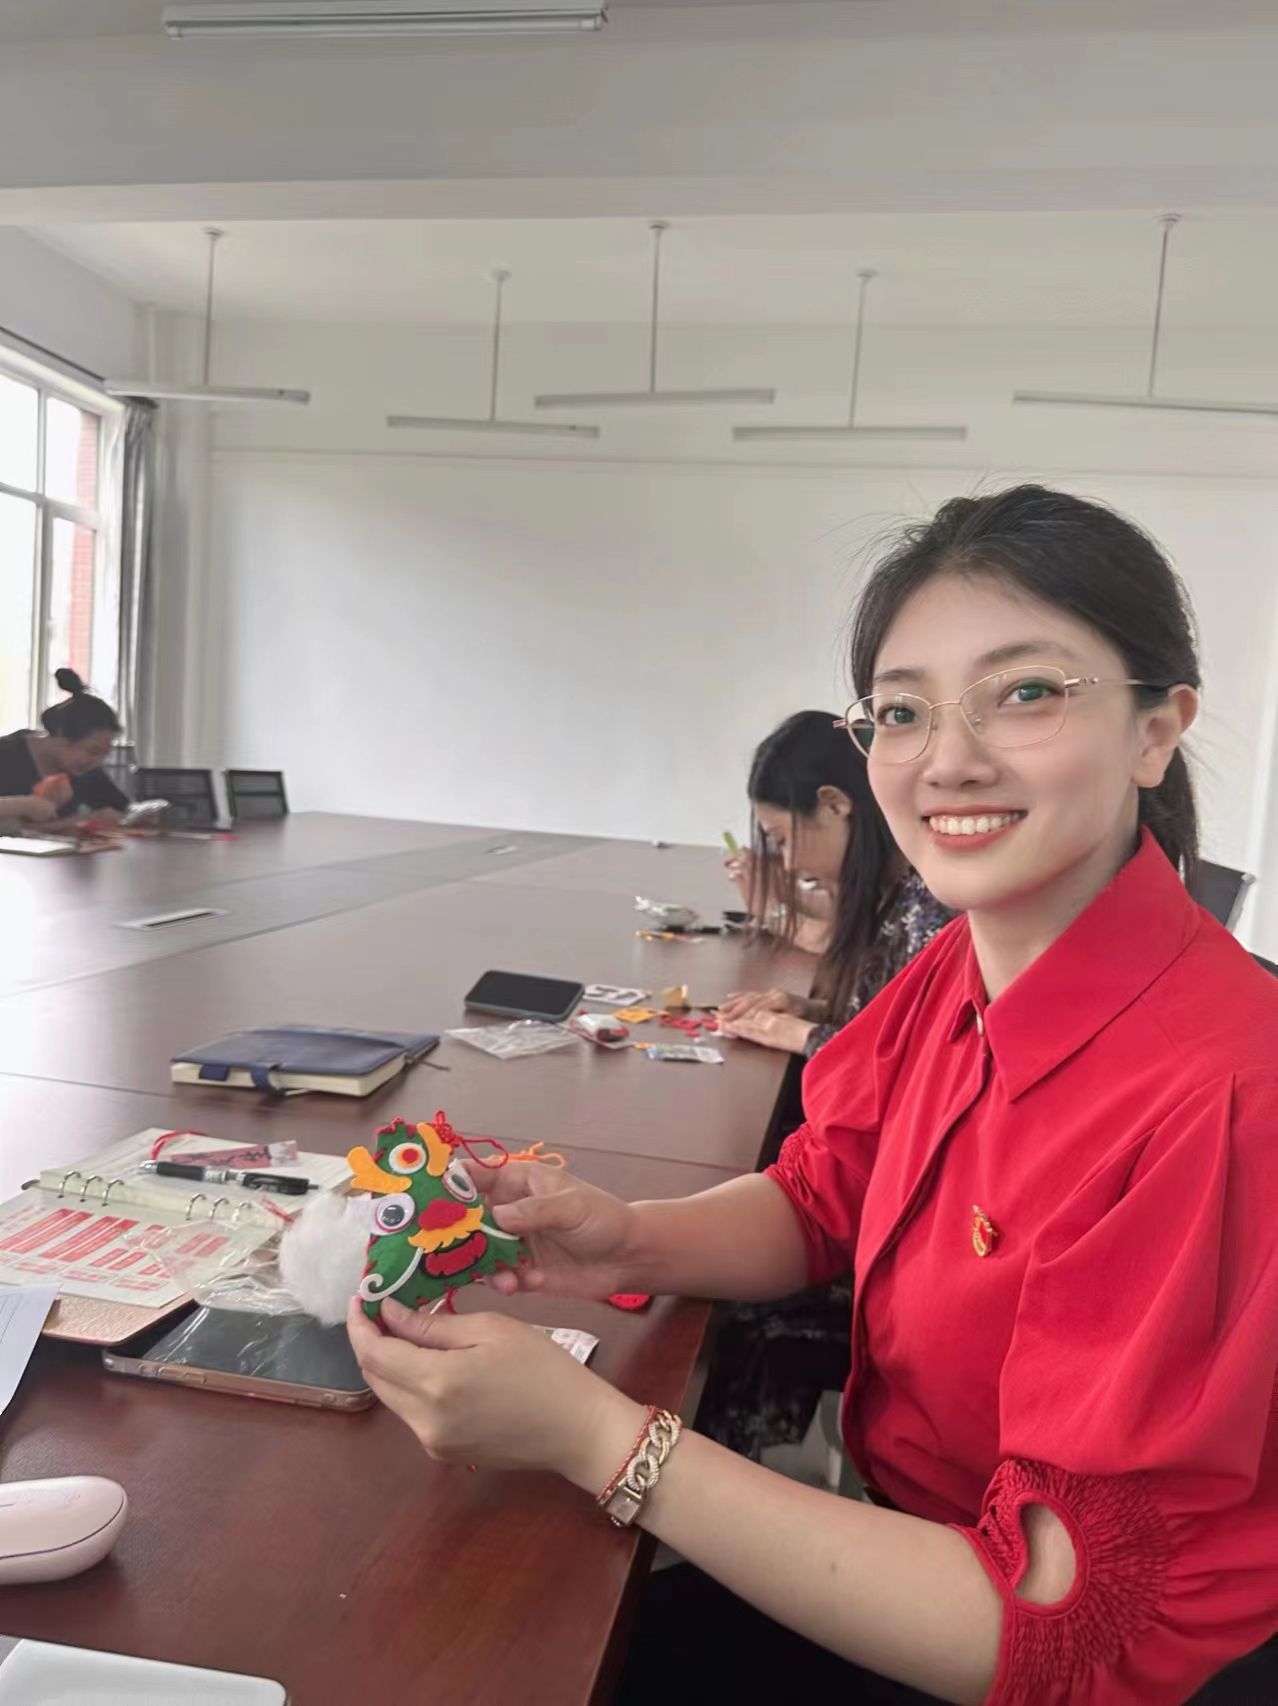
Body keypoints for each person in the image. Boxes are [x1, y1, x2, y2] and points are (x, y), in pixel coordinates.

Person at [347, 486, 1278, 1705]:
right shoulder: (965, 961)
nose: (949, 758)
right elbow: (827, 1190)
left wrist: (599, 1438)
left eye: (1026, 691)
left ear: (1157, 730)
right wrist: (627, 1237)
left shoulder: (1220, 1090)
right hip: (904, 1548)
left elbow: (1064, 1634)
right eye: (904, 710)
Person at [718, 711, 949, 1058]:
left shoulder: (932, 905)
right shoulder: (894, 890)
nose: (789, 864)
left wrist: (807, 1036)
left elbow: (916, 1065)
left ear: (834, 805)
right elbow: (884, 1016)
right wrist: (814, 1011)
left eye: (782, 840)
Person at [0, 669, 128, 827]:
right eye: (92, 751)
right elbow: (13, 829)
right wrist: (81, 820)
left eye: (105, 754)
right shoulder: (7, 754)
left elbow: (120, 809)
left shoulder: (86, 771)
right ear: (61, 736)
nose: (97, 761)